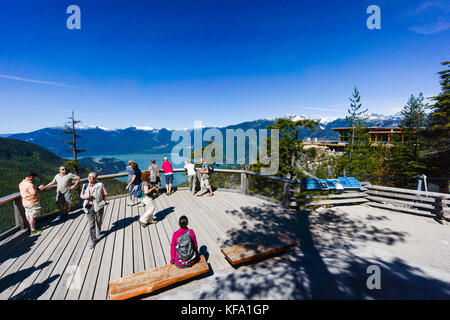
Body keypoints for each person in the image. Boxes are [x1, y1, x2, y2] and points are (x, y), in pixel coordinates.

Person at [80, 172, 108, 249]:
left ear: (96, 178)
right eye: (89, 176)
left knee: (99, 220)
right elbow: (81, 195)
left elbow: (105, 194)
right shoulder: (85, 185)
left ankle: (99, 230)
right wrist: (85, 197)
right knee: (91, 224)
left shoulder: (100, 185)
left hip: (99, 206)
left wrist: (104, 202)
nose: (90, 178)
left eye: (92, 177)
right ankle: (93, 240)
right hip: (88, 206)